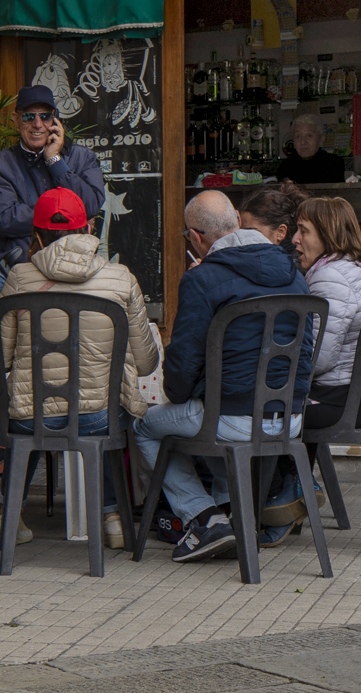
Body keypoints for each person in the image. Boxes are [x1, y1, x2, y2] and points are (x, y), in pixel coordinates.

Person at [132, 188, 312, 563]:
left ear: (196, 238)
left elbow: (180, 373)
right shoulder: (294, 274)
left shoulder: (203, 279)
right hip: (290, 420)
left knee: (147, 427)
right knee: (209, 416)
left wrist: (179, 394)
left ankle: (203, 517)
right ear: (235, 222)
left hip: (230, 417)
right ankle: (230, 513)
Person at [0, 187, 158, 550]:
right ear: (90, 230)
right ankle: (112, 516)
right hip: (99, 418)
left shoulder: (19, 278)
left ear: (36, 237)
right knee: (102, 407)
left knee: (30, 411)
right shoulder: (121, 278)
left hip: (29, 415)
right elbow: (146, 363)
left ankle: (11, 517)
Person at [0, 83, 106, 320]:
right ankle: (20, 339)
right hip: (17, 265)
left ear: (55, 120)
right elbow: (5, 219)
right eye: (29, 116)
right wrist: (66, 215)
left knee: (112, 294)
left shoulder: (82, 157)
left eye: (45, 116)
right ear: (16, 120)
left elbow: (91, 205)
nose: (37, 124)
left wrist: (55, 162)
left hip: (74, 264)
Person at [293, 194, 361, 433]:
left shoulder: (331, 277)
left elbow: (319, 360)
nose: (295, 239)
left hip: (349, 401)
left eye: (303, 231)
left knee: (263, 413)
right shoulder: (354, 270)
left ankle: (289, 472)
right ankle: (297, 472)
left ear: (327, 235)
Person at [275, 111, 345, 185]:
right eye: (298, 136)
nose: (303, 142)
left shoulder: (333, 163)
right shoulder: (285, 167)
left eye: (309, 136)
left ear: (321, 139)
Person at [235, 180, 301, 248]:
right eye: (241, 233)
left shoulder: (290, 257)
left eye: (252, 233)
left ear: (280, 232)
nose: (242, 240)